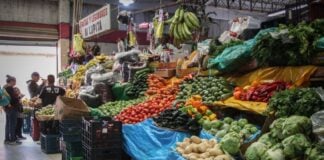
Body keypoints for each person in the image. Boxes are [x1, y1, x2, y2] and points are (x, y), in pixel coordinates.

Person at [3, 75, 21, 145]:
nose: (15, 82)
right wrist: (19, 97)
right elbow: (13, 99)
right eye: (14, 81)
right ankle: (12, 140)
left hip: (7, 108)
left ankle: (7, 139)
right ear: (11, 81)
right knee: (12, 124)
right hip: (12, 108)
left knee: (8, 124)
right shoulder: (10, 88)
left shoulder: (4, 88)